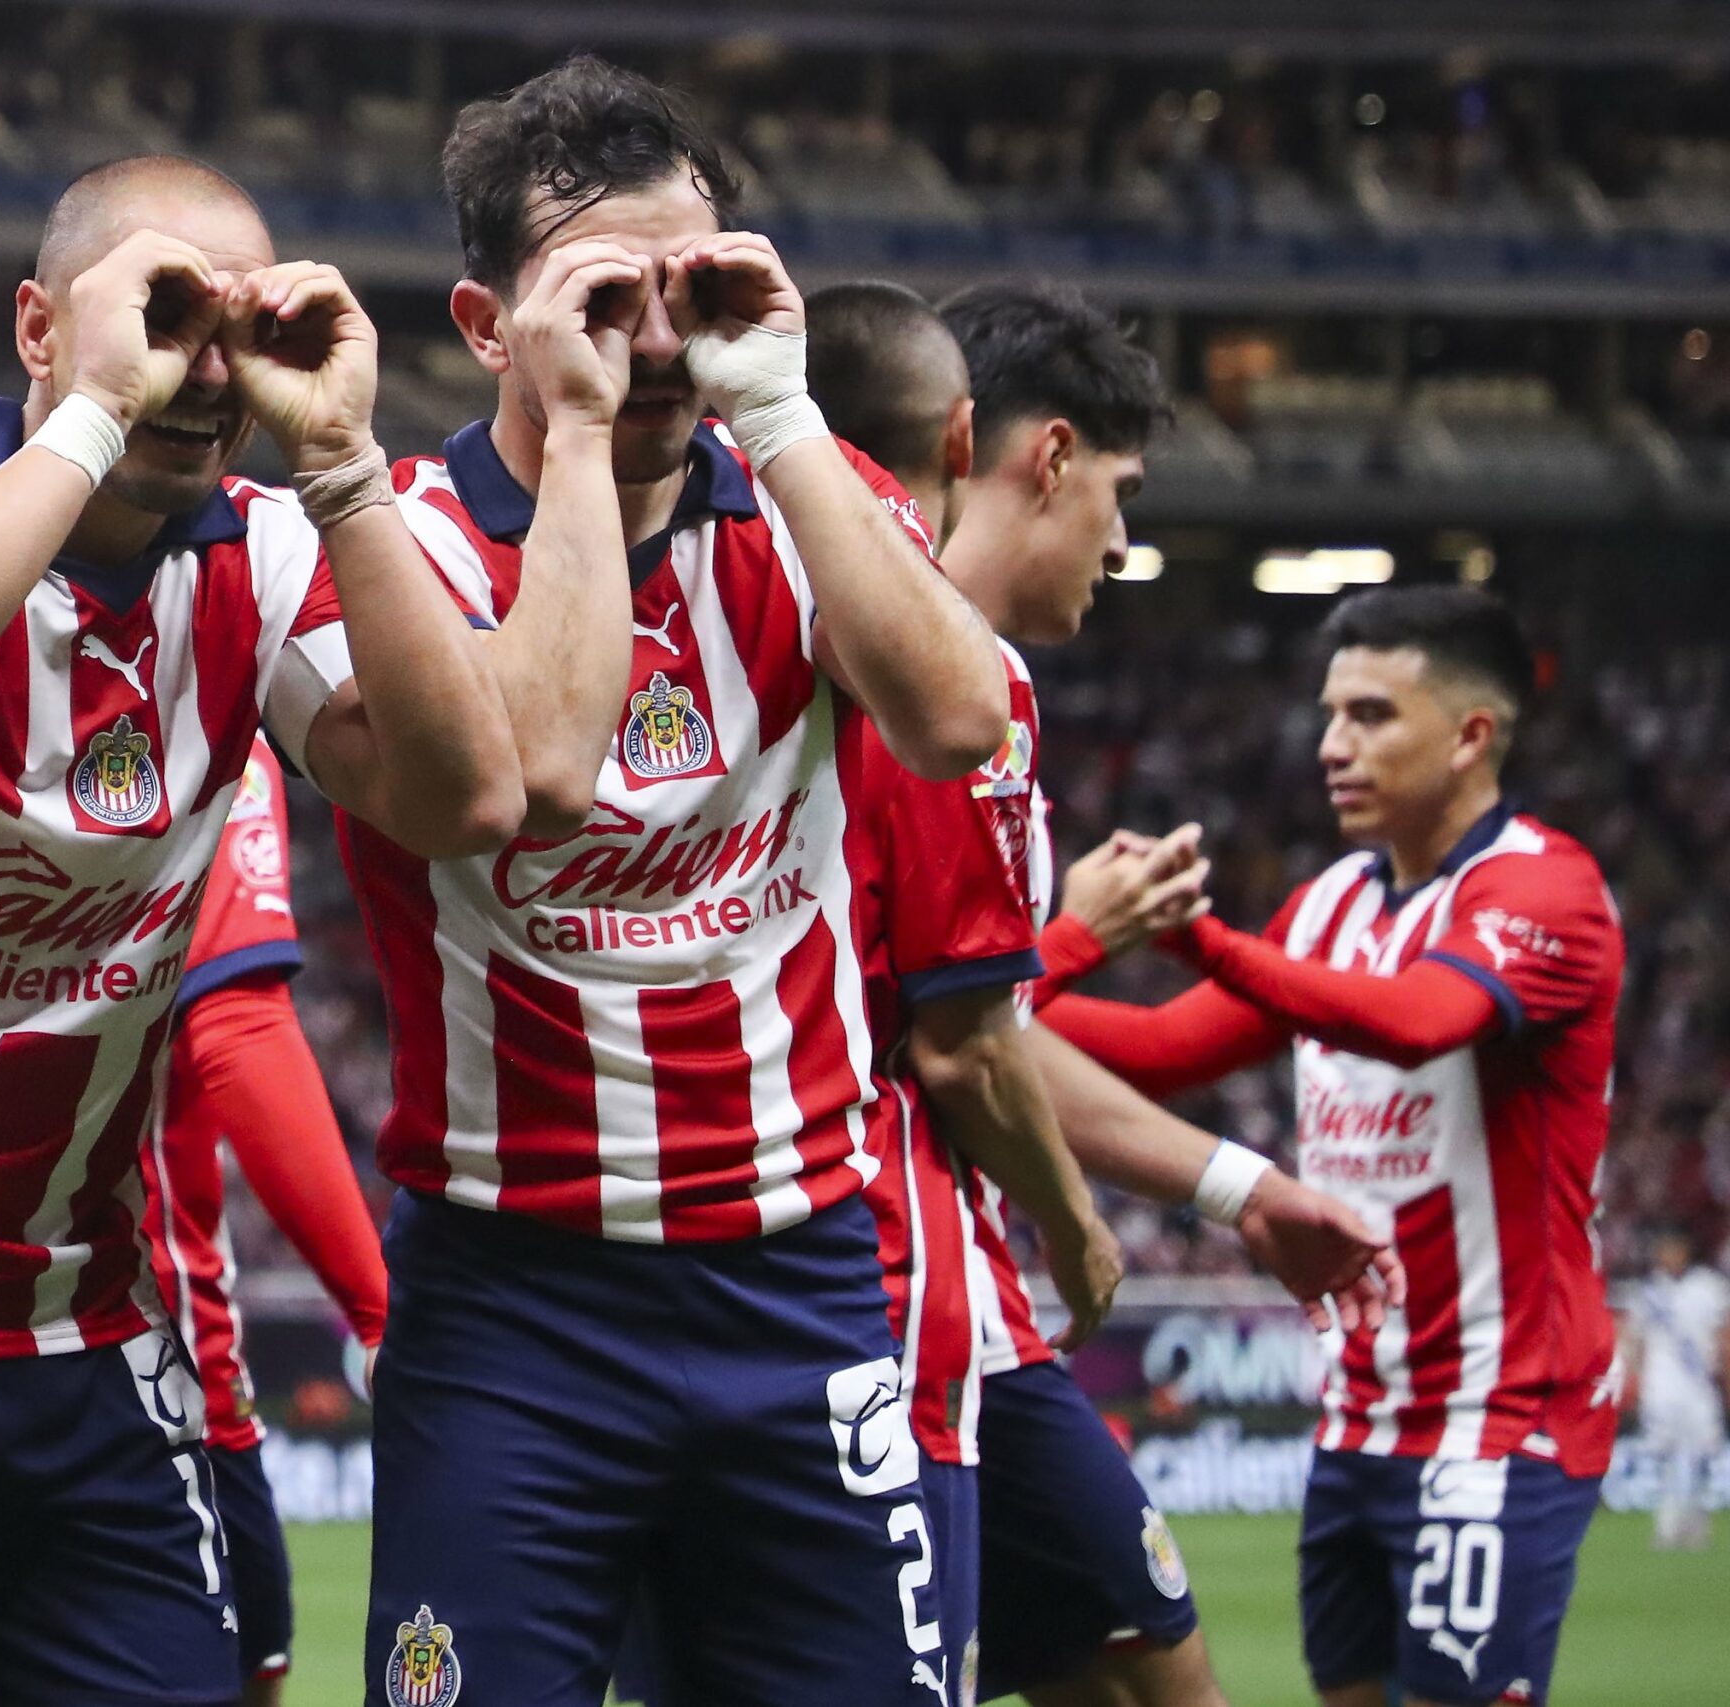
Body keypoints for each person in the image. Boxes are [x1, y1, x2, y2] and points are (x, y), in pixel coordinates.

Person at [0, 154, 521, 1707]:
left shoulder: (261, 553)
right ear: (39, 329)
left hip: (77, 1320)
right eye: (161, 313)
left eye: (234, 327)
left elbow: (464, 799)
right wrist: (94, 418)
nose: (203, 369)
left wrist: (341, 464)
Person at [307, 55, 1012, 1707]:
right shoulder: (391, 548)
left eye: (688, 282)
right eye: (607, 294)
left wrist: (779, 399)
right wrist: (581, 436)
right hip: (514, 1301)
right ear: (489, 325)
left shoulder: (799, 504)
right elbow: (527, 776)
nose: (658, 335)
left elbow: (960, 714)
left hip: (802, 1273)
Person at [798, 278, 1398, 1707]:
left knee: (1114, 1661)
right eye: (1121, 497)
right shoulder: (950, 682)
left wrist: (1237, 1186)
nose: (1124, 545)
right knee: (1146, 1667)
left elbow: (976, 1025)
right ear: (1041, 456)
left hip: (859, 1271)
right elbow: (961, 1040)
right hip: (887, 1282)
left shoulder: (815, 642)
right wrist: (1080, 1222)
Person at [1043, 584, 1624, 1707]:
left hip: (1497, 1423)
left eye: (1369, 716)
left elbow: (1417, 1024)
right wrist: (1011, 972)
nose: (1330, 746)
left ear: (1470, 736)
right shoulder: (1330, 906)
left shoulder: (1545, 891)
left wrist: (1199, 938)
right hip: (1356, 1419)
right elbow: (1158, 1052)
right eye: (1328, 715)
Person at [141, 736, 391, 1702]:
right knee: (241, 1669)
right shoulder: (197, 704)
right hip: (146, 1356)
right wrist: (378, 1311)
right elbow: (235, 1028)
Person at [1626, 1222, 1729, 1549]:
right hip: (1662, 1387)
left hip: (1698, 1385)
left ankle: (1697, 1523)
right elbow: (1638, 1343)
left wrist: (1723, 1377)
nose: (1668, 1254)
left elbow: (1721, 1336)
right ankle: (1668, 1526)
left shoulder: (1708, 1287)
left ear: (1685, 1249)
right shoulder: (1647, 1291)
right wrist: (1640, 1381)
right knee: (1666, 1456)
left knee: (1701, 1454)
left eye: (1673, 1247)